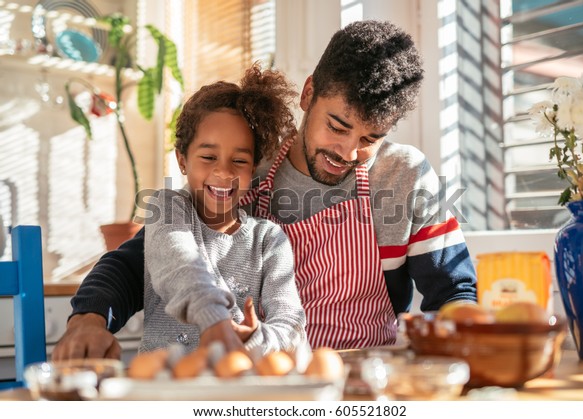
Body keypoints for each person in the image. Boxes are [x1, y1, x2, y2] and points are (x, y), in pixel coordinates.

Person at [52, 20, 477, 360]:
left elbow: (454, 293)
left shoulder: (403, 176)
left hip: (368, 381)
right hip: (264, 384)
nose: (347, 152)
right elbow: (141, 258)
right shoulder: (244, 168)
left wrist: (467, 341)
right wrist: (89, 317)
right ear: (308, 93)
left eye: (369, 138)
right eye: (337, 126)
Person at [138, 64, 306, 355]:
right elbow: (180, 264)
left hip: (235, 393)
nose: (224, 171)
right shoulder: (167, 209)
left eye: (239, 161)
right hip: (164, 392)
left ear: (253, 167)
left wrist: (256, 336)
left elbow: (292, 326)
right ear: (182, 160)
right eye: (208, 156)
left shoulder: (268, 240)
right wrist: (214, 318)